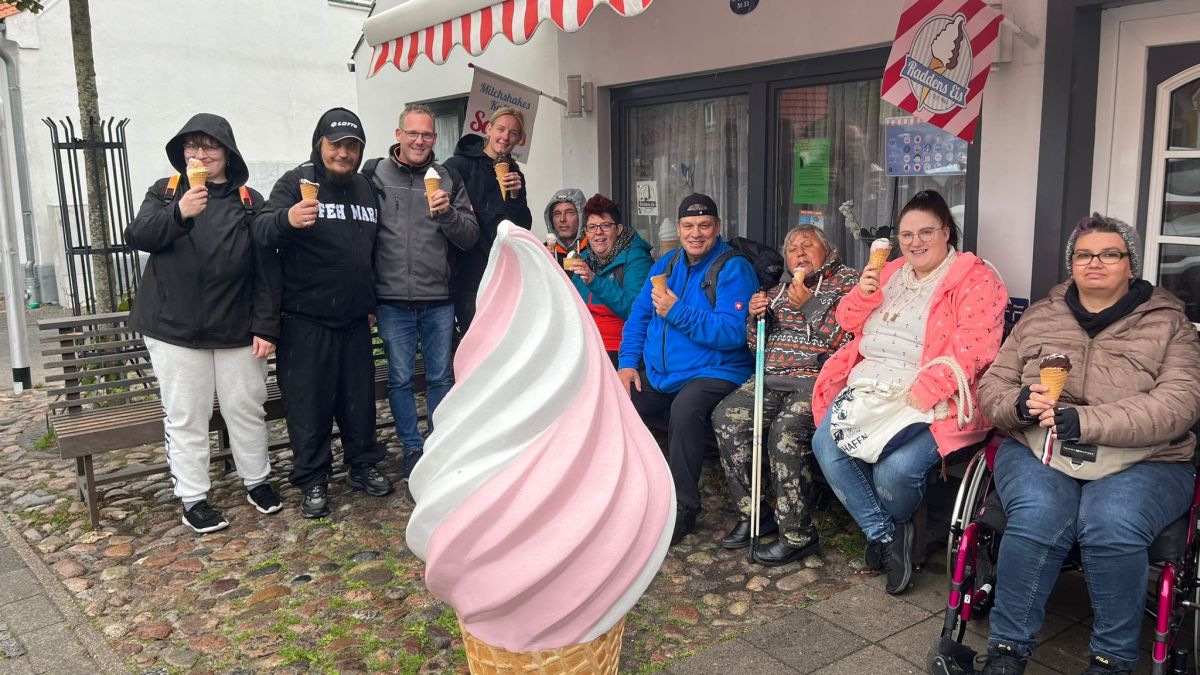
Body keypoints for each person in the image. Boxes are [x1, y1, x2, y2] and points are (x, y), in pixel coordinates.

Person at [973, 214, 1200, 675]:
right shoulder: (1040, 315)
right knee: (1037, 516)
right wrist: (1018, 402)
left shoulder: (1170, 323)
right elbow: (992, 384)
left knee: (1111, 522)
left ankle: (1111, 662)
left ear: (1130, 264)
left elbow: (1179, 404)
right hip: (1040, 448)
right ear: (1072, 263)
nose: (1094, 262)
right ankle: (1005, 653)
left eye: (1109, 253)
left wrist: (1085, 421)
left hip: (1148, 459)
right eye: (1083, 254)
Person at [810, 190, 1007, 595]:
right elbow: (846, 321)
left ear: (947, 233)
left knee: (894, 472)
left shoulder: (975, 277)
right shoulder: (889, 271)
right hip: (868, 383)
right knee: (826, 446)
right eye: (906, 235)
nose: (915, 242)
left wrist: (930, 386)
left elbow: (976, 344)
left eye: (926, 232)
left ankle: (893, 532)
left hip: (938, 391)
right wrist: (864, 292)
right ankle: (888, 536)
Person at [126, 113, 282, 534]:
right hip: (173, 329)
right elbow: (138, 236)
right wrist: (179, 213)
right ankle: (193, 497)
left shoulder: (251, 200)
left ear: (227, 153)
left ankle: (258, 480)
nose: (200, 154)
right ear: (181, 153)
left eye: (209, 146)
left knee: (246, 409)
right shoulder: (166, 192)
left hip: (235, 329)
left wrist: (266, 326)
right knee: (186, 416)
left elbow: (267, 270)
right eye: (192, 147)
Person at [252, 108, 392, 519]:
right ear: (320, 144)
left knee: (358, 402)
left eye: (352, 146)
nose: (344, 154)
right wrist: (287, 218)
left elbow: (369, 250)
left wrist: (370, 300)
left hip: (353, 318)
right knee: (308, 406)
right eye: (336, 145)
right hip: (305, 320)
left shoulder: (366, 188)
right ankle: (312, 478)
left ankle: (362, 464)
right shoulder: (297, 182)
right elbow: (260, 232)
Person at [711, 225, 859, 565]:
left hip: (819, 380)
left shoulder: (848, 285)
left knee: (785, 432)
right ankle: (755, 513)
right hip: (772, 377)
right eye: (792, 249)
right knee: (726, 417)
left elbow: (851, 342)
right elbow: (755, 349)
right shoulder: (776, 289)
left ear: (828, 250)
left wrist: (810, 305)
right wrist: (755, 320)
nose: (800, 254)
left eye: (808, 246)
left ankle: (798, 534)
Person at [618, 193, 757, 545]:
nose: (696, 233)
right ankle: (631, 493)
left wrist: (677, 311)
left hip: (717, 369)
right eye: (688, 226)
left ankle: (683, 506)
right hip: (665, 373)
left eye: (704, 225)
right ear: (679, 229)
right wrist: (627, 364)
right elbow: (640, 316)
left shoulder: (732, 267)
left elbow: (733, 333)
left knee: (685, 411)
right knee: (620, 403)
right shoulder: (665, 264)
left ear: (717, 228)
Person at [365, 104, 479, 479]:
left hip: (437, 298)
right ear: (398, 134)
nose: (419, 140)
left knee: (440, 377)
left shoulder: (447, 178)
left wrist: (447, 214)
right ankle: (412, 448)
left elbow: (469, 236)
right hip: (392, 298)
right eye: (412, 133)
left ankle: (439, 443)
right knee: (398, 378)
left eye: (427, 134)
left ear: (435, 138)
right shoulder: (374, 174)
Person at [443, 107, 533, 333]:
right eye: (501, 129)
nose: (505, 137)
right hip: (468, 276)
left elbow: (520, 228)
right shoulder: (458, 165)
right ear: (488, 128)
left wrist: (515, 196)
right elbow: (443, 215)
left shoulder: (515, 173)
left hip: (503, 276)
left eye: (513, 133)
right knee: (475, 343)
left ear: (519, 139)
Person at [565, 194, 653, 366]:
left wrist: (594, 281)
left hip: (620, 348)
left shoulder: (637, 258)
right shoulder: (583, 259)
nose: (598, 232)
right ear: (586, 233)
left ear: (618, 229)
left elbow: (635, 310)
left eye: (605, 225)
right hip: (583, 346)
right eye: (592, 227)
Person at [544, 189, 587, 266]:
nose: (562, 219)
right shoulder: (542, 251)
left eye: (569, 213)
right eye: (557, 214)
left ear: (582, 217)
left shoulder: (595, 249)